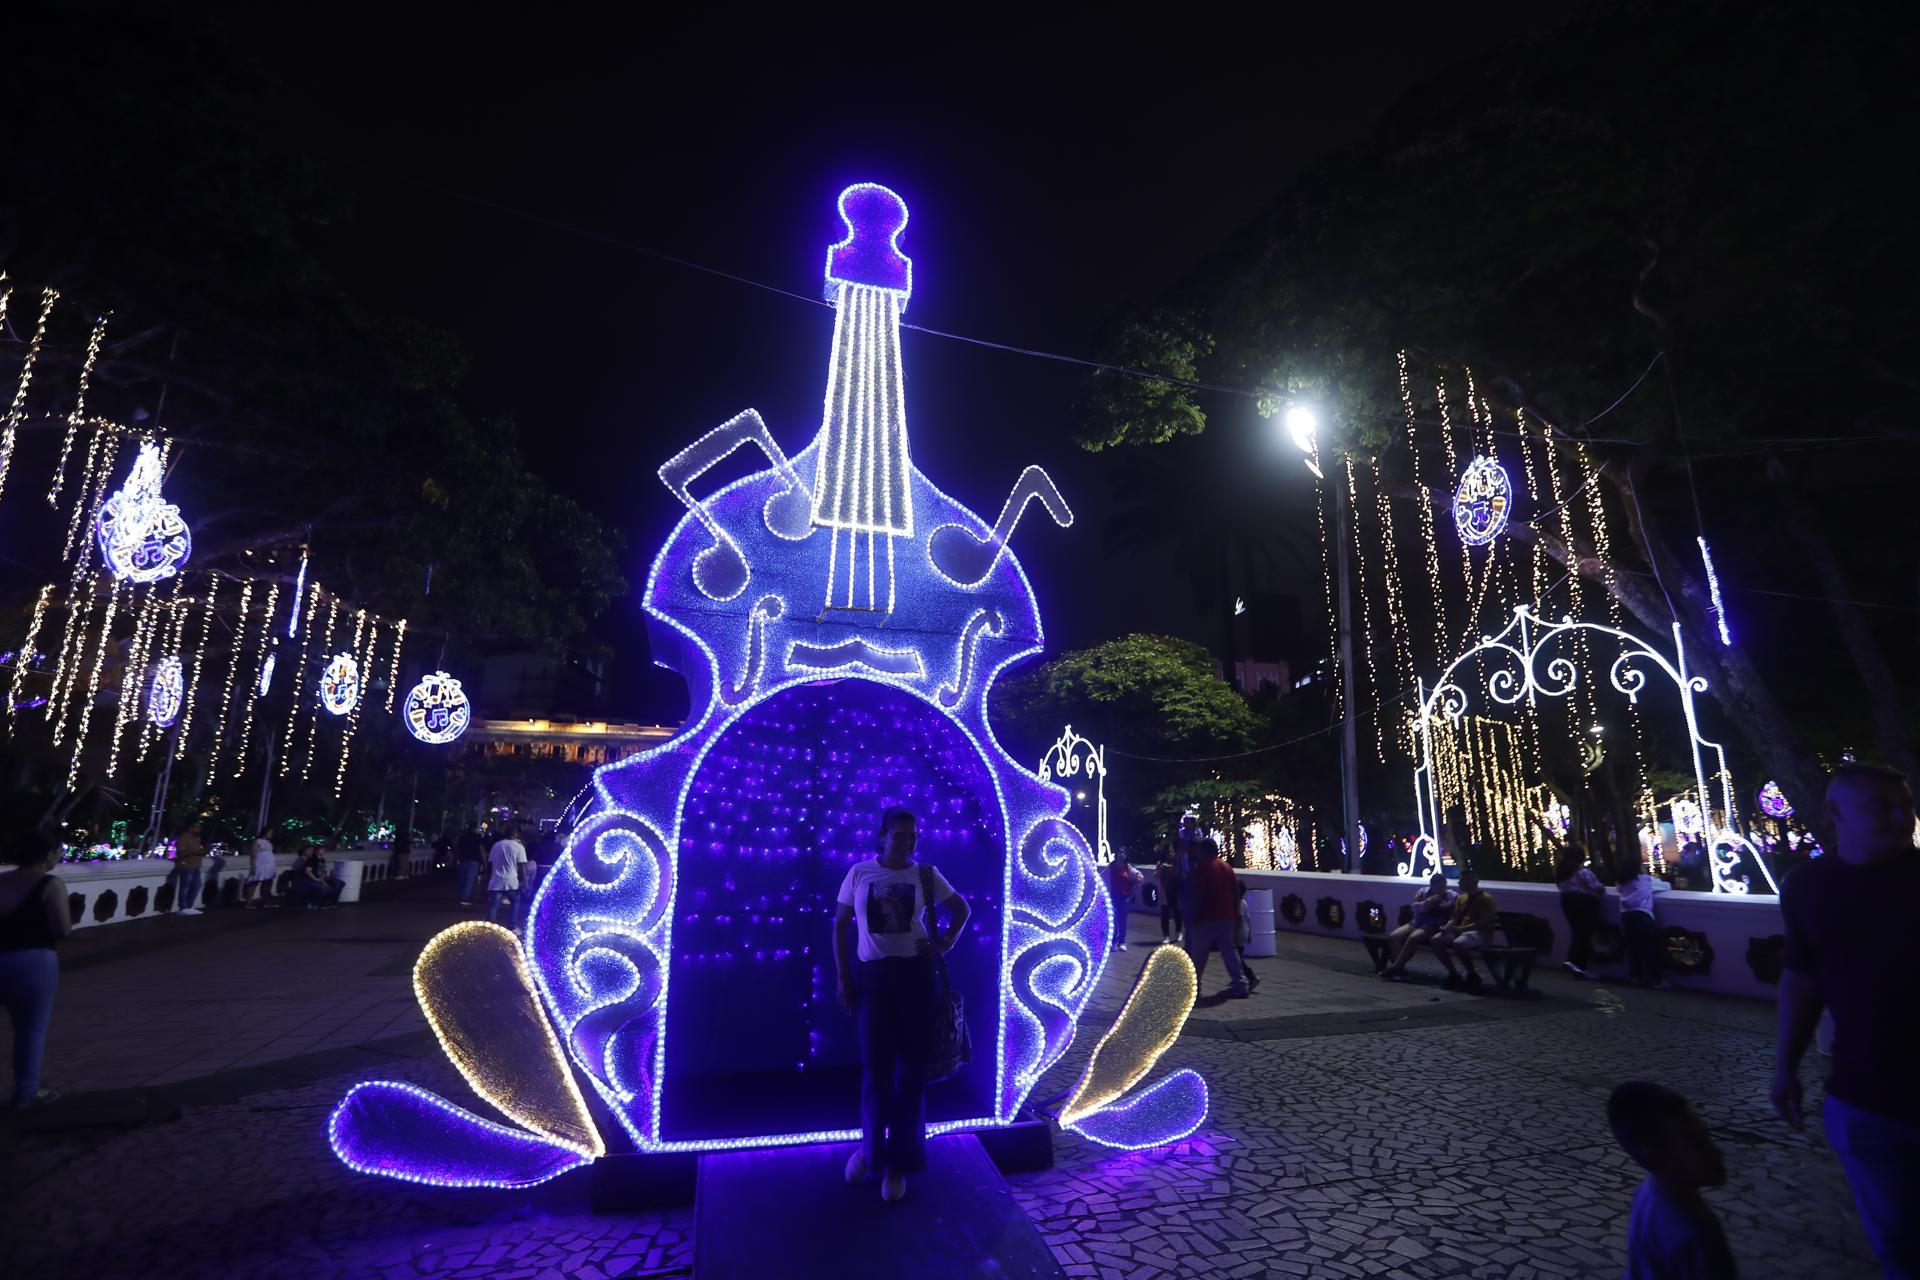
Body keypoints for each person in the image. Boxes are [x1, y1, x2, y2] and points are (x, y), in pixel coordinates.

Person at [1772, 763, 1920, 1279]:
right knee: (1896, 1239)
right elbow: (1802, 980)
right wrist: (1784, 1065)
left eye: (1906, 804)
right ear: (1836, 812)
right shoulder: (1806, 888)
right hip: (1863, 1097)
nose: (1903, 816)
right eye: (1883, 805)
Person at [834, 805, 971, 1204]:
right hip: (872, 982)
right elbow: (840, 925)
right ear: (882, 835)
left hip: (916, 979)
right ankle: (871, 1153)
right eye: (899, 834)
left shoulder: (924, 874)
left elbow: (961, 909)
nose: (907, 841)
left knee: (910, 1075)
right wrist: (843, 978)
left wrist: (946, 942)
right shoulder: (859, 872)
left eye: (913, 835)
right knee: (874, 1074)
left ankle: (898, 1165)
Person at [1606, 1079, 1736, 1279]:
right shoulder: (1696, 1237)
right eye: (1697, 1144)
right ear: (1657, 1157)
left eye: (1707, 1137)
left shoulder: (1647, 1191)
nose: (1716, 1152)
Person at [0, 831, 73, 1107]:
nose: (60, 856)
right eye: (58, 851)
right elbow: (62, 929)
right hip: (33, 961)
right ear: (46, 856)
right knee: (30, 1030)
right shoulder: (50, 885)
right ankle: (26, 1090)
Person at [1184, 838, 1248, 999]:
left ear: (1204, 851)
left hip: (1206, 917)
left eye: (1198, 850)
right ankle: (1241, 984)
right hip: (1227, 916)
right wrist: (1236, 915)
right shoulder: (1226, 867)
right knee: (1229, 951)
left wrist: (1194, 915)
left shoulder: (1203, 868)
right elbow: (1235, 893)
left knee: (1199, 954)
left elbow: (1199, 893)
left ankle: (1195, 987)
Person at [1379, 872, 1455, 980]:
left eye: (1443, 887)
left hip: (1434, 925)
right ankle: (1401, 969)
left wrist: (1444, 905)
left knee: (1413, 937)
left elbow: (1452, 910)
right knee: (1393, 937)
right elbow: (1414, 907)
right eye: (1438, 887)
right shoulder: (1423, 892)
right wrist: (1428, 902)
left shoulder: (1451, 895)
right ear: (1432, 886)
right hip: (1416, 922)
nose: (1441, 890)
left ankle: (1396, 967)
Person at [1431, 869, 1497, 991]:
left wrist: (1462, 929)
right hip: (1462, 931)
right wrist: (1447, 927)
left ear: (1470, 882)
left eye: (1461, 881)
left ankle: (1471, 973)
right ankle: (1453, 973)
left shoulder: (1485, 899)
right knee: (1436, 941)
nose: (1459, 883)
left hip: (1480, 933)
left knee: (1459, 943)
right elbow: (1455, 917)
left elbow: (1483, 922)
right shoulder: (1461, 899)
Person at [1618, 854, 1671, 988]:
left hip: (1626, 916)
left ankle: (1635, 977)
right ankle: (1655, 980)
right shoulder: (1645, 880)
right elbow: (1666, 886)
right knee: (1650, 948)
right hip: (1643, 915)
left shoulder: (1622, 882)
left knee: (1633, 948)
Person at [1556, 843, 1606, 978]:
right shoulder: (1583, 872)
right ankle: (1578, 965)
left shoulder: (1562, 873)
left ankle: (1573, 962)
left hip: (1567, 902)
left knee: (1577, 932)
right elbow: (1598, 888)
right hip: (1585, 903)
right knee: (1584, 935)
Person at [487, 825, 528, 927]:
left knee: (494, 905)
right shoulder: (519, 847)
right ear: (515, 834)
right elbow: (522, 866)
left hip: (496, 880)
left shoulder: (496, 845)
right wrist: (526, 881)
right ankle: (512, 925)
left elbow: (491, 862)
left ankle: (490, 926)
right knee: (515, 902)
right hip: (511, 880)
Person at [173, 820, 208, 915]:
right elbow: (180, 853)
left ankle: (189, 906)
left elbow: (200, 851)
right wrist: (196, 852)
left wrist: (203, 851)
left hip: (196, 866)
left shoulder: (196, 838)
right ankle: (183, 907)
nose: (198, 829)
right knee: (185, 886)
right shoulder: (184, 837)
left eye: (199, 827)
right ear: (190, 827)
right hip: (186, 865)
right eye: (196, 827)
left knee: (197, 885)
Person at [1232, 881, 1261, 992]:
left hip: (1238, 934)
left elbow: (1238, 921)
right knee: (1239, 957)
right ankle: (1240, 977)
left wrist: (1232, 934)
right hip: (1244, 932)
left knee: (1238, 959)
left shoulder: (1238, 904)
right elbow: (1248, 919)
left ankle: (1251, 977)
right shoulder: (1244, 902)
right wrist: (1249, 933)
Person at [1107, 858, 1138, 951]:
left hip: (1124, 896)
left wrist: (1137, 877)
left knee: (1122, 920)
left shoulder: (1128, 866)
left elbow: (1137, 875)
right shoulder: (1112, 865)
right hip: (1114, 896)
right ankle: (1113, 942)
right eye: (1120, 852)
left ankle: (1122, 942)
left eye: (1123, 853)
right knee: (1114, 920)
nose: (1122, 855)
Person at [242, 826, 277, 908]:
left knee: (267, 884)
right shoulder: (257, 841)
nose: (271, 834)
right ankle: (248, 903)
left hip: (268, 866)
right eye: (270, 832)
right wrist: (253, 865)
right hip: (259, 865)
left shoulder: (269, 843)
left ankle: (266, 902)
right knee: (253, 883)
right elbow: (253, 854)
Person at [1154, 848, 1182, 943]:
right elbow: (1156, 876)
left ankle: (1178, 932)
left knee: (1177, 913)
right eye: (1168, 852)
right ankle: (1166, 935)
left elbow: (1179, 875)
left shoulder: (1177, 864)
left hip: (1175, 891)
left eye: (1172, 852)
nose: (1170, 854)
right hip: (1164, 892)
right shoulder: (1160, 864)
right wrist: (1160, 870)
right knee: (1165, 914)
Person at [454, 825, 486, 907]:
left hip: (463, 860)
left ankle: (459, 895)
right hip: (474, 861)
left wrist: (457, 859)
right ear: (475, 829)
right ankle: (464, 898)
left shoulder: (462, 838)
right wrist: (484, 861)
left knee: (462, 879)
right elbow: (481, 849)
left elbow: (458, 849)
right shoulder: (477, 837)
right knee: (469, 880)